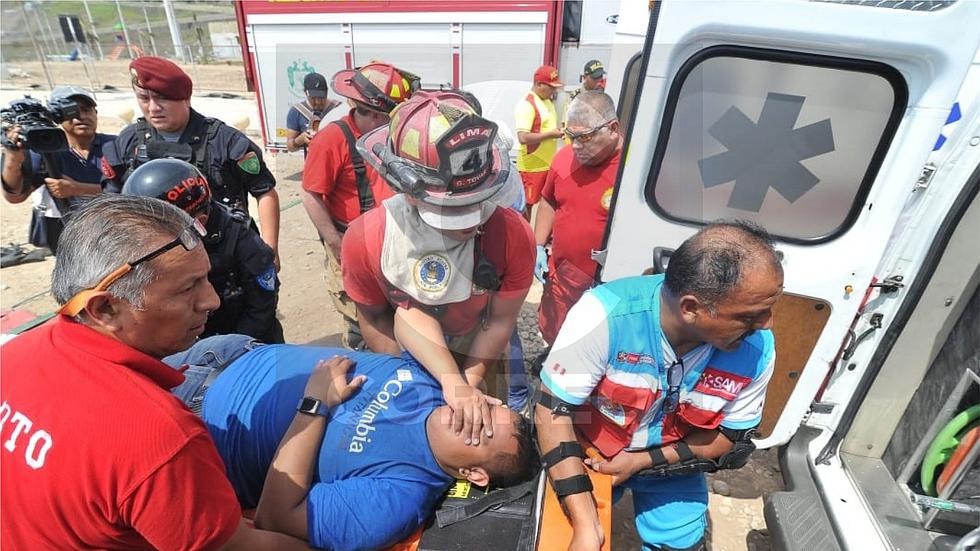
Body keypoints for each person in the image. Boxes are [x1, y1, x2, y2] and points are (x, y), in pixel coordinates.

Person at [0, 194, 308, 550]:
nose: (212, 300)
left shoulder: (18, 352)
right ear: (105, 308)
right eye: (187, 288)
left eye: (205, 279)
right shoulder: (157, 439)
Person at [534, 220, 784, 551]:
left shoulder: (757, 349)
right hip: (589, 454)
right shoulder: (605, 316)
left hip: (671, 464)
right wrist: (585, 525)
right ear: (691, 309)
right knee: (561, 539)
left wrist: (641, 461)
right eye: (750, 316)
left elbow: (728, 440)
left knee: (681, 544)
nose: (767, 325)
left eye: (768, 309)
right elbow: (552, 415)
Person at [161, 336, 538, 550]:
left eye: (484, 432)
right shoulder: (441, 385)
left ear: (473, 473)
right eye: (488, 410)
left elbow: (274, 517)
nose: (473, 416)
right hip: (225, 349)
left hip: (188, 417)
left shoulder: (398, 497)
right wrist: (458, 384)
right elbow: (407, 320)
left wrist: (315, 405)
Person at [343, 90, 536, 446]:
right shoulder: (368, 240)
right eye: (447, 213)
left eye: (475, 206)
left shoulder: (512, 236)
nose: (465, 224)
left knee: (486, 438)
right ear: (408, 189)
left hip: (479, 348)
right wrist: (419, 387)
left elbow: (499, 322)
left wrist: (467, 383)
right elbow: (376, 319)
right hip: (402, 353)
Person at [101, 56, 281, 269]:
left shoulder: (225, 142)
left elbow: (264, 191)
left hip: (222, 256)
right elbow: (111, 203)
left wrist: (269, 250)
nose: (153, 108)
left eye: (162, 99)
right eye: (144, 98)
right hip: (158, 261)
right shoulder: (128, 142)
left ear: (185, 98)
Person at [301, 62, 419, 348]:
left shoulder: (396, 136)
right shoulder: (332, 139)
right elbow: (311, 195)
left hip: (394, 240)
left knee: (398, 312)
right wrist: (336, 241)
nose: (392, 124)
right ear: (373, 111)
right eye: (388, 117)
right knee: (360, 318)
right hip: (353, 242)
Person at [122, 158, 284, 343]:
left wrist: (225, 350)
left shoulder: (242, 240)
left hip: (246, 344)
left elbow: (262, 307)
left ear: (201, 221)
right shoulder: (148, 243)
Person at [535, 91, 622, 345]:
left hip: (608, 285)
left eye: (584, 137)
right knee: (557, 336)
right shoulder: (563, 160)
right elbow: (548, 199)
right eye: (570, 136)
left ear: (613, 128)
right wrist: (538, 245)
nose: (575, 146)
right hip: (564, 277)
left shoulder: (632, 169)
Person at [2, 85, 114, 253]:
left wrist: (77, 189)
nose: (81, 117)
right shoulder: (44, 150)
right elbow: (15, 196)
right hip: (70, 236)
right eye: (72, 112)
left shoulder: (116, 145)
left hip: (113, 230)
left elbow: (131, 191)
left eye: (86, 110)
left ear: (95, 113)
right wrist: (12, 156)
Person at [514, 64, 564, 221]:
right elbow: (523, 137)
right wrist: (551, 134)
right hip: (532, 166)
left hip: (547, 164)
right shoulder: (527, 104)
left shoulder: (546, 101)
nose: (554, 91)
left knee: (548, 202)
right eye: (551, 87)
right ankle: (525, 237)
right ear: (538, 84)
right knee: (527, 205)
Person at [285, 72, 341, 156]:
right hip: (313, 162)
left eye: (322, 97)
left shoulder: (338, 109)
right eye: (313, 98)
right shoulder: (296, 112)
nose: (318, 102)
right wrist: (299, 140)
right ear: (305, 92)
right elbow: (290, 148)